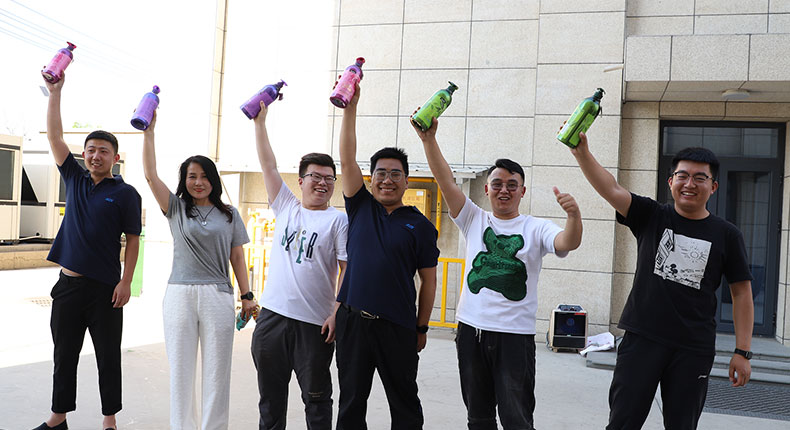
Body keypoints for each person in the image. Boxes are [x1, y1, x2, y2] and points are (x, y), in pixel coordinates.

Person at [569, 132, 754, 429]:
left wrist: (742, 351)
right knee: (622, 422)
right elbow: (611, 188)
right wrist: (582, 154)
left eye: (700, 178)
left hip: (693, 348)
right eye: (682, 176)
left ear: (713, 186)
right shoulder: (651, 215)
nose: (689, 184)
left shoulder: (727, 235)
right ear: (670, 182)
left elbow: (742, 293)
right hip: (642, 340)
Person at [412, 116, 582, 430]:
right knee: (478, 417)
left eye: (512, 185)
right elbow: (446, 180)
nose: (504, 190)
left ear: (522, 191)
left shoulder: (535, 227)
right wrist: (428, 140)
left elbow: (566, 242)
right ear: (487, 189)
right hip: (471, 332)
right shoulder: (473, 218)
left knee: (516, 418)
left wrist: (573, 216)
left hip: (514, 337)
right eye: (498, 184)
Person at [35, 72, 142, 430]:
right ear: (84, 154)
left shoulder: (126, 194)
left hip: (105, 290)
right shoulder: (75, 178)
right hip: (68, 286)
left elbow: (133, 239)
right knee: (63, 355)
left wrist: (126, 282)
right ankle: (58, 418)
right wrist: (55, 92)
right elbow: (55, 137)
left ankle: (109, 421)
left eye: (104, 151)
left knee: (107, 356)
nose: (96, 156)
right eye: (91, 150)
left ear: (115, 157)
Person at [334, 82, 439, 429]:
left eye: (396, 174)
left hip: (398, 327)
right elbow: (346, 159)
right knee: (351, 403)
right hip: (353, 323)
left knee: (405, 405)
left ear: (407, 181)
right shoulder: (360, 206)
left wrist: (421, 327)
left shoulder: (420, 226)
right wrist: (350, 108)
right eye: (381, 173)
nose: (387, 180)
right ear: (371, 178)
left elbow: (428, 281)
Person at [142, 111, 255, 429]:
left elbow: (237, 256)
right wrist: (149, 133)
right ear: (185, 180)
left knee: (217, 371)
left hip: (217, 294)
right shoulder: (176, 208)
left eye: (204, 176)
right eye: (192, 176)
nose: (198, 182)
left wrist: (246, 295)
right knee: (181, 370)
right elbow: (150, 175)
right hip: (179, 294)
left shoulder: (229, 214)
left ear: (213, 180)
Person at [249, 102, 348, 429]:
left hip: (314, 325)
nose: (322, 183)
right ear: (301, 180)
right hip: (272, 318)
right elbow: (268, 165)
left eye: (329, 179)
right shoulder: (286, 206)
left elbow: (346, 269)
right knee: (270, 401)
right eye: (315, 177)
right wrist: (260, 123)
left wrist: (337, 313)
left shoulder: (338, 220)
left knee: (317, 402)